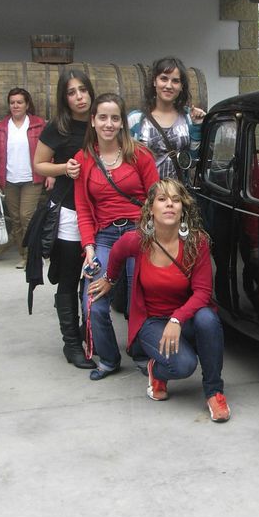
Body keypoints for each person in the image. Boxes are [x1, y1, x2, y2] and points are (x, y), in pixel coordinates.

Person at [90, 177, 230, 422]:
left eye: (176, 200)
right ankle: (157, 371)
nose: (169, 205)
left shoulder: (197, 242)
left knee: (208, 318)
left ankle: (214, 392)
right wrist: (109, 280)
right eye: (162, 199)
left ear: (183, 208)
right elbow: (117, 252)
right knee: (184, 366)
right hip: (152, 321)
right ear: (151, 208)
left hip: (185, 318)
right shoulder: (137, 240)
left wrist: (177, 319)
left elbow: (202, 293)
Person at [74, 92, 159, 380]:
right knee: (93, 300)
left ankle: (140, 352)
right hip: (106, 237)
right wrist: (88, 248)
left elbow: (155, 200)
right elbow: (84, 210)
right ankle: (108, 358)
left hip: (139, 233)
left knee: (141, 296)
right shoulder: (83, 159)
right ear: (93, 121)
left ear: (122, 122)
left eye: (114, 118)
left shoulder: (140, 155)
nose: (109, 124)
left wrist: (152, 236)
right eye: (102, 117)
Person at [33, 68, 96, 370]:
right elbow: (39, 164)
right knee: (71, 277)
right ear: (64, 97)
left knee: (96, 279)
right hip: (70, 211)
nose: (79, 97)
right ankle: (71, 343)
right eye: (72, 92)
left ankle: (92, 334)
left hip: (101, 211)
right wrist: (63, 169)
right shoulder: (58, 127)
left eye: (82, 89)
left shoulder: (102, 120)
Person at [0, 87, 46, 267]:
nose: (15, 105)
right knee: (16, 219)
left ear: (27, 104)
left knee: (26, 215)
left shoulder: (37, 124)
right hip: (10, 179)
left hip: (32, 178)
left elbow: (48, 149)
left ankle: (33, 256)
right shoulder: (1, 128)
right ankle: (24, 254)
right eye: (12, 103)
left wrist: (51, 173)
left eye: (19, 102)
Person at [128, 57, 206, 184]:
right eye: (164, 78)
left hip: (177, 197)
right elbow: (125, 162)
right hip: (145, 196)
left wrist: (197, 127)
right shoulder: (136, 119)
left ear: (181, 86)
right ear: (154, 81)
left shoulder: (188, 118)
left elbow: (192, 161)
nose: (169, 86)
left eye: (175, 81)